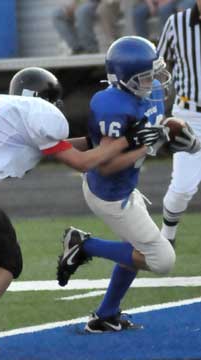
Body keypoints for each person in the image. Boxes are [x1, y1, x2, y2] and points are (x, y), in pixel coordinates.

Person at [0, 66, 161, 355]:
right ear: (49, 98)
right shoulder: (40, 113)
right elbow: (81, 163)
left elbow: (53, 148)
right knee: (7, 261)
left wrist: (102, 142)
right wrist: (129, 140)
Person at [57, 36, 200, 332]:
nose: (154, 81)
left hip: (125, 187)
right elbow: (106, 164)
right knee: (161, 260)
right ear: (123, 79)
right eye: (145, 76)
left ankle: (105, 315)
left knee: (134, 248)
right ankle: (83, 246)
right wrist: (148, 147)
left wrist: (181, 138)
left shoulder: (154, 90)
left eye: (155, 72)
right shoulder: (110, 104)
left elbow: (159, 128)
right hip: (109, 193)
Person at [157, 0, 201, 247]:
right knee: (183, 187)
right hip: (190, 116)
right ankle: (167, 236)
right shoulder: (178, 23)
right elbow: (159, 66)